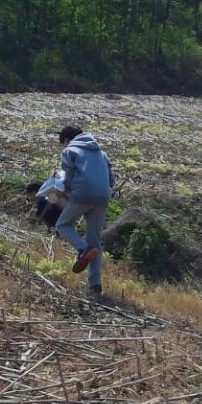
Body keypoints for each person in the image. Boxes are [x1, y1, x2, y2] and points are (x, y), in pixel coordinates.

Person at [54, 126, 114, 297]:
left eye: (62, 144)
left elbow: (69, 174)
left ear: (66, 140)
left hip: (82, 194)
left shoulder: (70, 151)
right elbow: (111, 180)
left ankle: (83, 249)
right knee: (95, 239)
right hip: (103, 197)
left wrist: (64, 191)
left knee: (62, 224)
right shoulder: (102, 154)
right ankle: (95, 286)